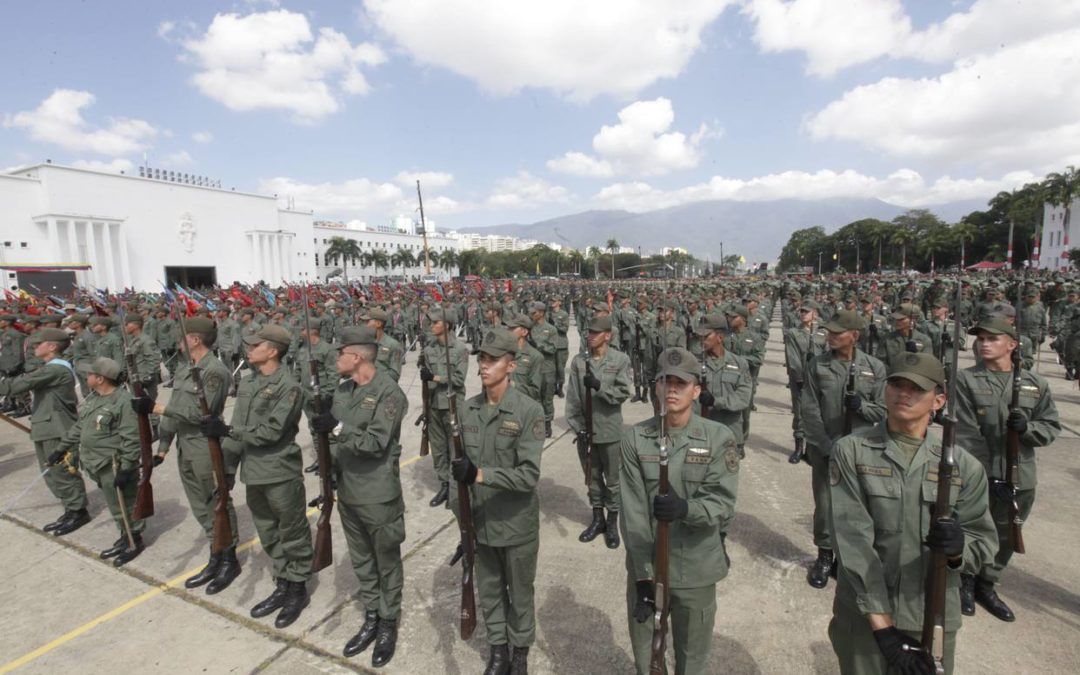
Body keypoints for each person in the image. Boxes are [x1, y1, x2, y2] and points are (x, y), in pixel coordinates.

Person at [828, 352, 998, 675]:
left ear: (939, 400)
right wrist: (883, 627)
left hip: (931, 615)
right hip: (867, 616)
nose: (903, 394)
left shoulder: (964, 466)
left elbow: (984, 541)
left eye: (916, 388)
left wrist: (959, 550)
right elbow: (852, 540)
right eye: (896, 384)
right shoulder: (851, 450)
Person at [620, 347, 740, 675]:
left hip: (696, 569)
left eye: (680, 383)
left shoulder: (718, 438)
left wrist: (686, 508)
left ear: (696, 390)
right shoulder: (635, 439)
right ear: (655, 387)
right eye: (665, 381)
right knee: (647, 660)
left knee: (693, 660)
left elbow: (722, 502)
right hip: (648, 568)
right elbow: (631, 512)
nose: (672, 389)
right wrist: (644, 576)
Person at [204, 324, 312, 628]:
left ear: (273, 351)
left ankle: (298, 587)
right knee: (268, 530)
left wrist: (227, 430)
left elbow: (272, 433)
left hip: (279, 471)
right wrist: (226, 468)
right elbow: (238, 428)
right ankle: (283, 581)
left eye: (255, 345)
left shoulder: (288, 386)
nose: (248, 350)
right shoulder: (249, 384)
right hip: (253, 471)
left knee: (292, 530)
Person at [312, 325, 408, 667]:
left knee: (385, 561)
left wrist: (336, 428)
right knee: (363, 562)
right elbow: (333, 442)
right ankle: (371, 614)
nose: (335, 359)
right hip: (349, 492)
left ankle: (387, 622)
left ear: (355, 356)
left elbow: (374, 442)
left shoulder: (390, 393)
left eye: (340, 354)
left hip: (377, 494)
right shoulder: (342, 391)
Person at [954, 316, 1060, 622]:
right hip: (980, 472)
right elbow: (965, 431)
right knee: (972, 527)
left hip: (1020, 471)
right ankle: (966, 579)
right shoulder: (967, 379)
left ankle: (988, 583)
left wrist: (1028, 428)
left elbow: (1050, 425)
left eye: (992, 339)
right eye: (981, 339)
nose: (984, 344)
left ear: (1012, 344)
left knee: (1007, 532)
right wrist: (989, 473)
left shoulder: (1033, 383)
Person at [451, 328, 544, 675]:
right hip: (481, 521)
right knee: (489, 591)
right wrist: (462, 521)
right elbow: (454, 474)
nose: (484, 365)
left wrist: (479, 475)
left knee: (520, 594)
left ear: (512, 366)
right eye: (482, 359)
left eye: (493, 360)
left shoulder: (528, 412)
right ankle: (498, 650)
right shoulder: (467, 409)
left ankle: (519, 652)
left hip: (516, 523)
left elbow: (527, 476)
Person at [144, 317, 240, 594]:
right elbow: (177, 406)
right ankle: (216, 552)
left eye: (183, 336)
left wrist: (158, 409)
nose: (178, 341)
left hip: (204, 446)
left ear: (195, 339)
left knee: (218, 501)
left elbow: (202, 414)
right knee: (200, 504)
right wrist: (162, 448)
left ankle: (229, 557)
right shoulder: (187, 369)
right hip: (185, 447)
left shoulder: (215, 371)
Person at [801, 310, 887, 589]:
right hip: (825, 447)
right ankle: (825, 557)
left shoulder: (875, 368)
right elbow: (809, 409)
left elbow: (884, 409)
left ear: (855, 336)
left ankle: (849, 559)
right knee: (825, 505)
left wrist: (861, 406)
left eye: (838, 333)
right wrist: (825, 445)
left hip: (863, 449)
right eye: (830, 332)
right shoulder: (817, 365)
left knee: (859, 507)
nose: (831, 336)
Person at [55, 357, 146, 564]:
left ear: (100, 378)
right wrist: (61, 449)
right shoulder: (94, 399)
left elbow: (132, 438)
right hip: (95, 463)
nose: (86, 377)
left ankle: (134, 539)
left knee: (125, 503)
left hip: (112, 464)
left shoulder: (123, 402)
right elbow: (80, 427)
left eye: (90, 374)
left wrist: (127, 468)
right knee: (115, 505)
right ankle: (125, 535)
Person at [0, 327, 90, 535]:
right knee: (52, 473)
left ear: (51, 346)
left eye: (37, 344)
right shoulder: (49, 367)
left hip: (57, 428)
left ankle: (78, 511)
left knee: (62, 471)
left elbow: (17, 386)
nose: (33, 348)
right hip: (46, 426)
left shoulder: (55, 370)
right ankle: (70, 508)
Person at [565, 315, 632, 548]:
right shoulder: (579, 362)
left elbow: (623, 392)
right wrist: (577, 427)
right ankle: (597, 519)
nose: (590, 336)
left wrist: (600, 387)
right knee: (592, 479)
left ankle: (612, 522)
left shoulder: (620, 360)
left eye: (595, 332)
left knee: (613, 480)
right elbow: (573, 398)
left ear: (608, 335)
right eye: (588, 332)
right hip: (587, 430)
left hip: (610, 430)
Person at [421, 307, 469, 507]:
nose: (432, 326)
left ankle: (454, 488)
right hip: (433, 405)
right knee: (439, 449)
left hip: (452, 405)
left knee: (454, 448)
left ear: (447, 325)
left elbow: (458, 379)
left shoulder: (459, 350)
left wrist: (435, 377)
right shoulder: (429, 349)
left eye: (436, 322)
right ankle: (444, 485)